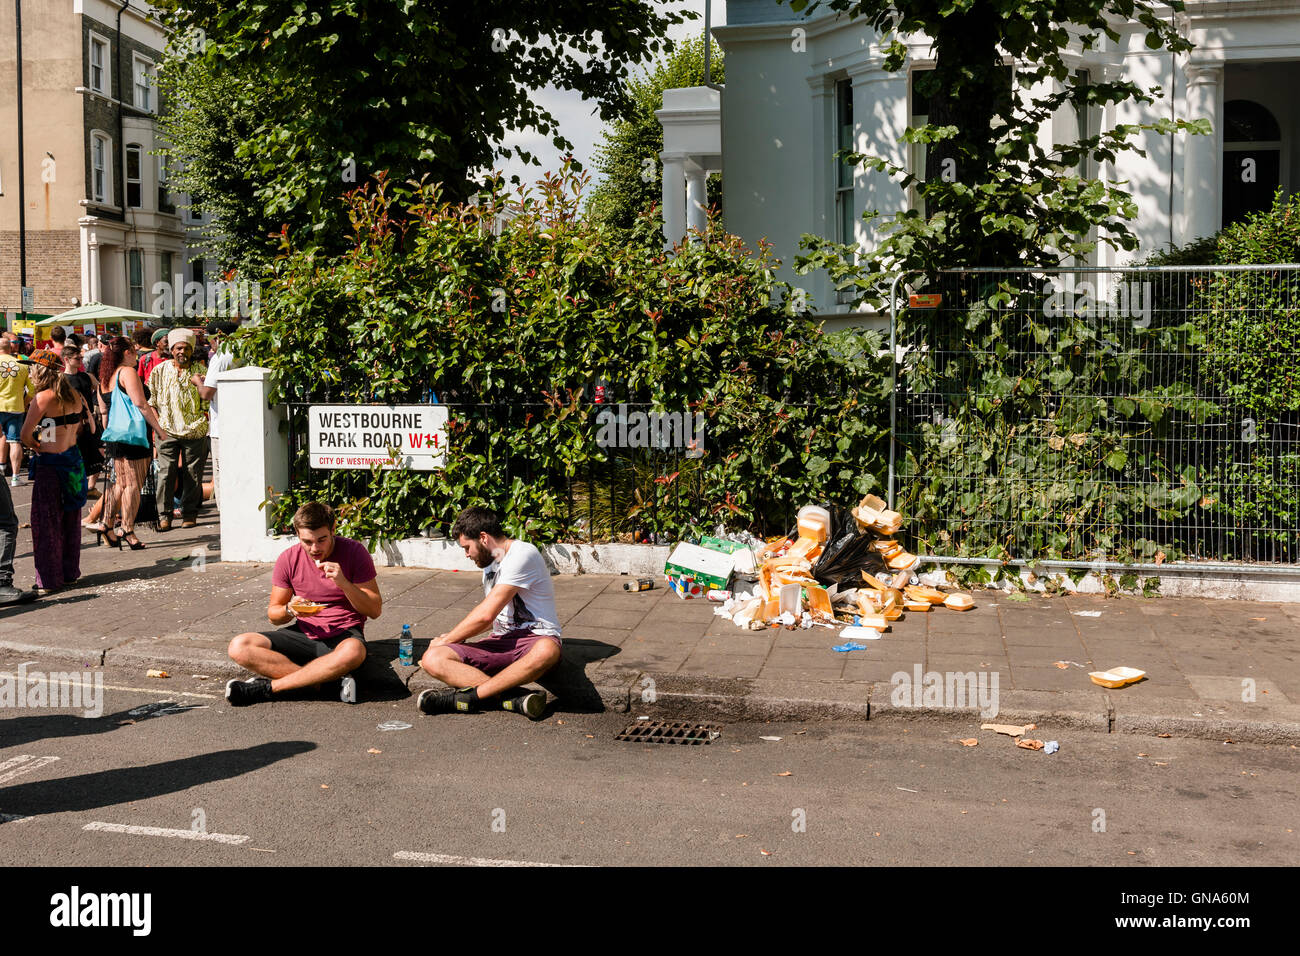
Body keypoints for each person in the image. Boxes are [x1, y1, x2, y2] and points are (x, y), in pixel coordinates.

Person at [225, 501, 381, 706]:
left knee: (355, 652)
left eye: (322, 540)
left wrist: (344, 584)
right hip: (303, 633)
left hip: (343, 634)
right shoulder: (289, 558)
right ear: (297, 534)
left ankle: (268, 688)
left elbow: (374, 610)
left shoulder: (354, 552)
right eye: (307, 541)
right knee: (239, 646)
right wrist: (290, 609)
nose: (315, 548)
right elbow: (274, 615)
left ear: (333, 529)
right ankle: (323, 684)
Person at [416, 506, 560, 719]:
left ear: (483, 537)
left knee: (548, 650)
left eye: (467, 547)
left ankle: (467, 698)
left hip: (534, 639)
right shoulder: (492, 561)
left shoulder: (523, 554)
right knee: (433, 659)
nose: (466, 554)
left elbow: (485, 615)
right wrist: (448, 644)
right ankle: (513, 698)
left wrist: (446, 639)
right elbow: (488, 618)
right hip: (501, 642)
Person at [20, 350, 90, 595]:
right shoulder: (74, 394)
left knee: (46, 522)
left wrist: (37, 445)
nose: (29, 371)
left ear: (40, 371)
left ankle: (49, 579)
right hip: (73, 460)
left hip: (51, 464)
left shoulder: (43, 398)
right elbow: (75, 427)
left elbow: (24, 436)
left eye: (31, 367)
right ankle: (69, 573)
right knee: (71, 518)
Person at [97, 337, 170, 549]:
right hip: (134, 436)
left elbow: (103, 411)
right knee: (133, 485)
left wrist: (107, 436)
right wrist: (159, 431)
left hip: (115, 436)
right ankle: (127, 529)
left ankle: (106, 522)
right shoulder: (126, 372)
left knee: (119, 483)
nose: (137, 353)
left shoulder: (105, 376)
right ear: (126, 352)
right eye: (134, 350)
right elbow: (141, 404)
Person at [148, 329, 209, 531]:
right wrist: (158, 427)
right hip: (166, 431)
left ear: (192, 350)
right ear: (172, 350)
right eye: (178, 348)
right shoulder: (159, 371)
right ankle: (164, 515)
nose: (182, 351)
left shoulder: (201, 371)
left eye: (186, 348)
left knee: (193, 475)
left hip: (195, 431)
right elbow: (152, 402)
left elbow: (208, 401)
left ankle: (189, 513)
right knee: (166, 474)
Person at [194, 320, 240, 508]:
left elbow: (206, 394)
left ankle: (225, 513)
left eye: (210, 338)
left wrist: (197, 381)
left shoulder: (220, 357)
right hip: (242, 423)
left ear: (218, 336)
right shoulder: (244, 352)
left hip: (221, 426)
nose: (209, 343)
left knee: (222, 474)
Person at [61, 346, 105, 500]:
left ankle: (91, 487)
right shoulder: (61, 379)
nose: (81, 361)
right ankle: (78, 487)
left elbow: (100, 389)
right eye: (77, 358)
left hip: (90, 419)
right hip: (73, 423)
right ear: (66, 359)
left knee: (99, 454)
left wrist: (101, 408)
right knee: (78, 456)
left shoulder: (87, 376)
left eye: (81, 358)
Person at [0, 332, 30, 486]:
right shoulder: (22, 364)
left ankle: (1, 468)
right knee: (14, 441)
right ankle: (15, 477)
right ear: (10, 347)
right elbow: (32, 390)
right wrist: (24, 402)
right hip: (15, 406)